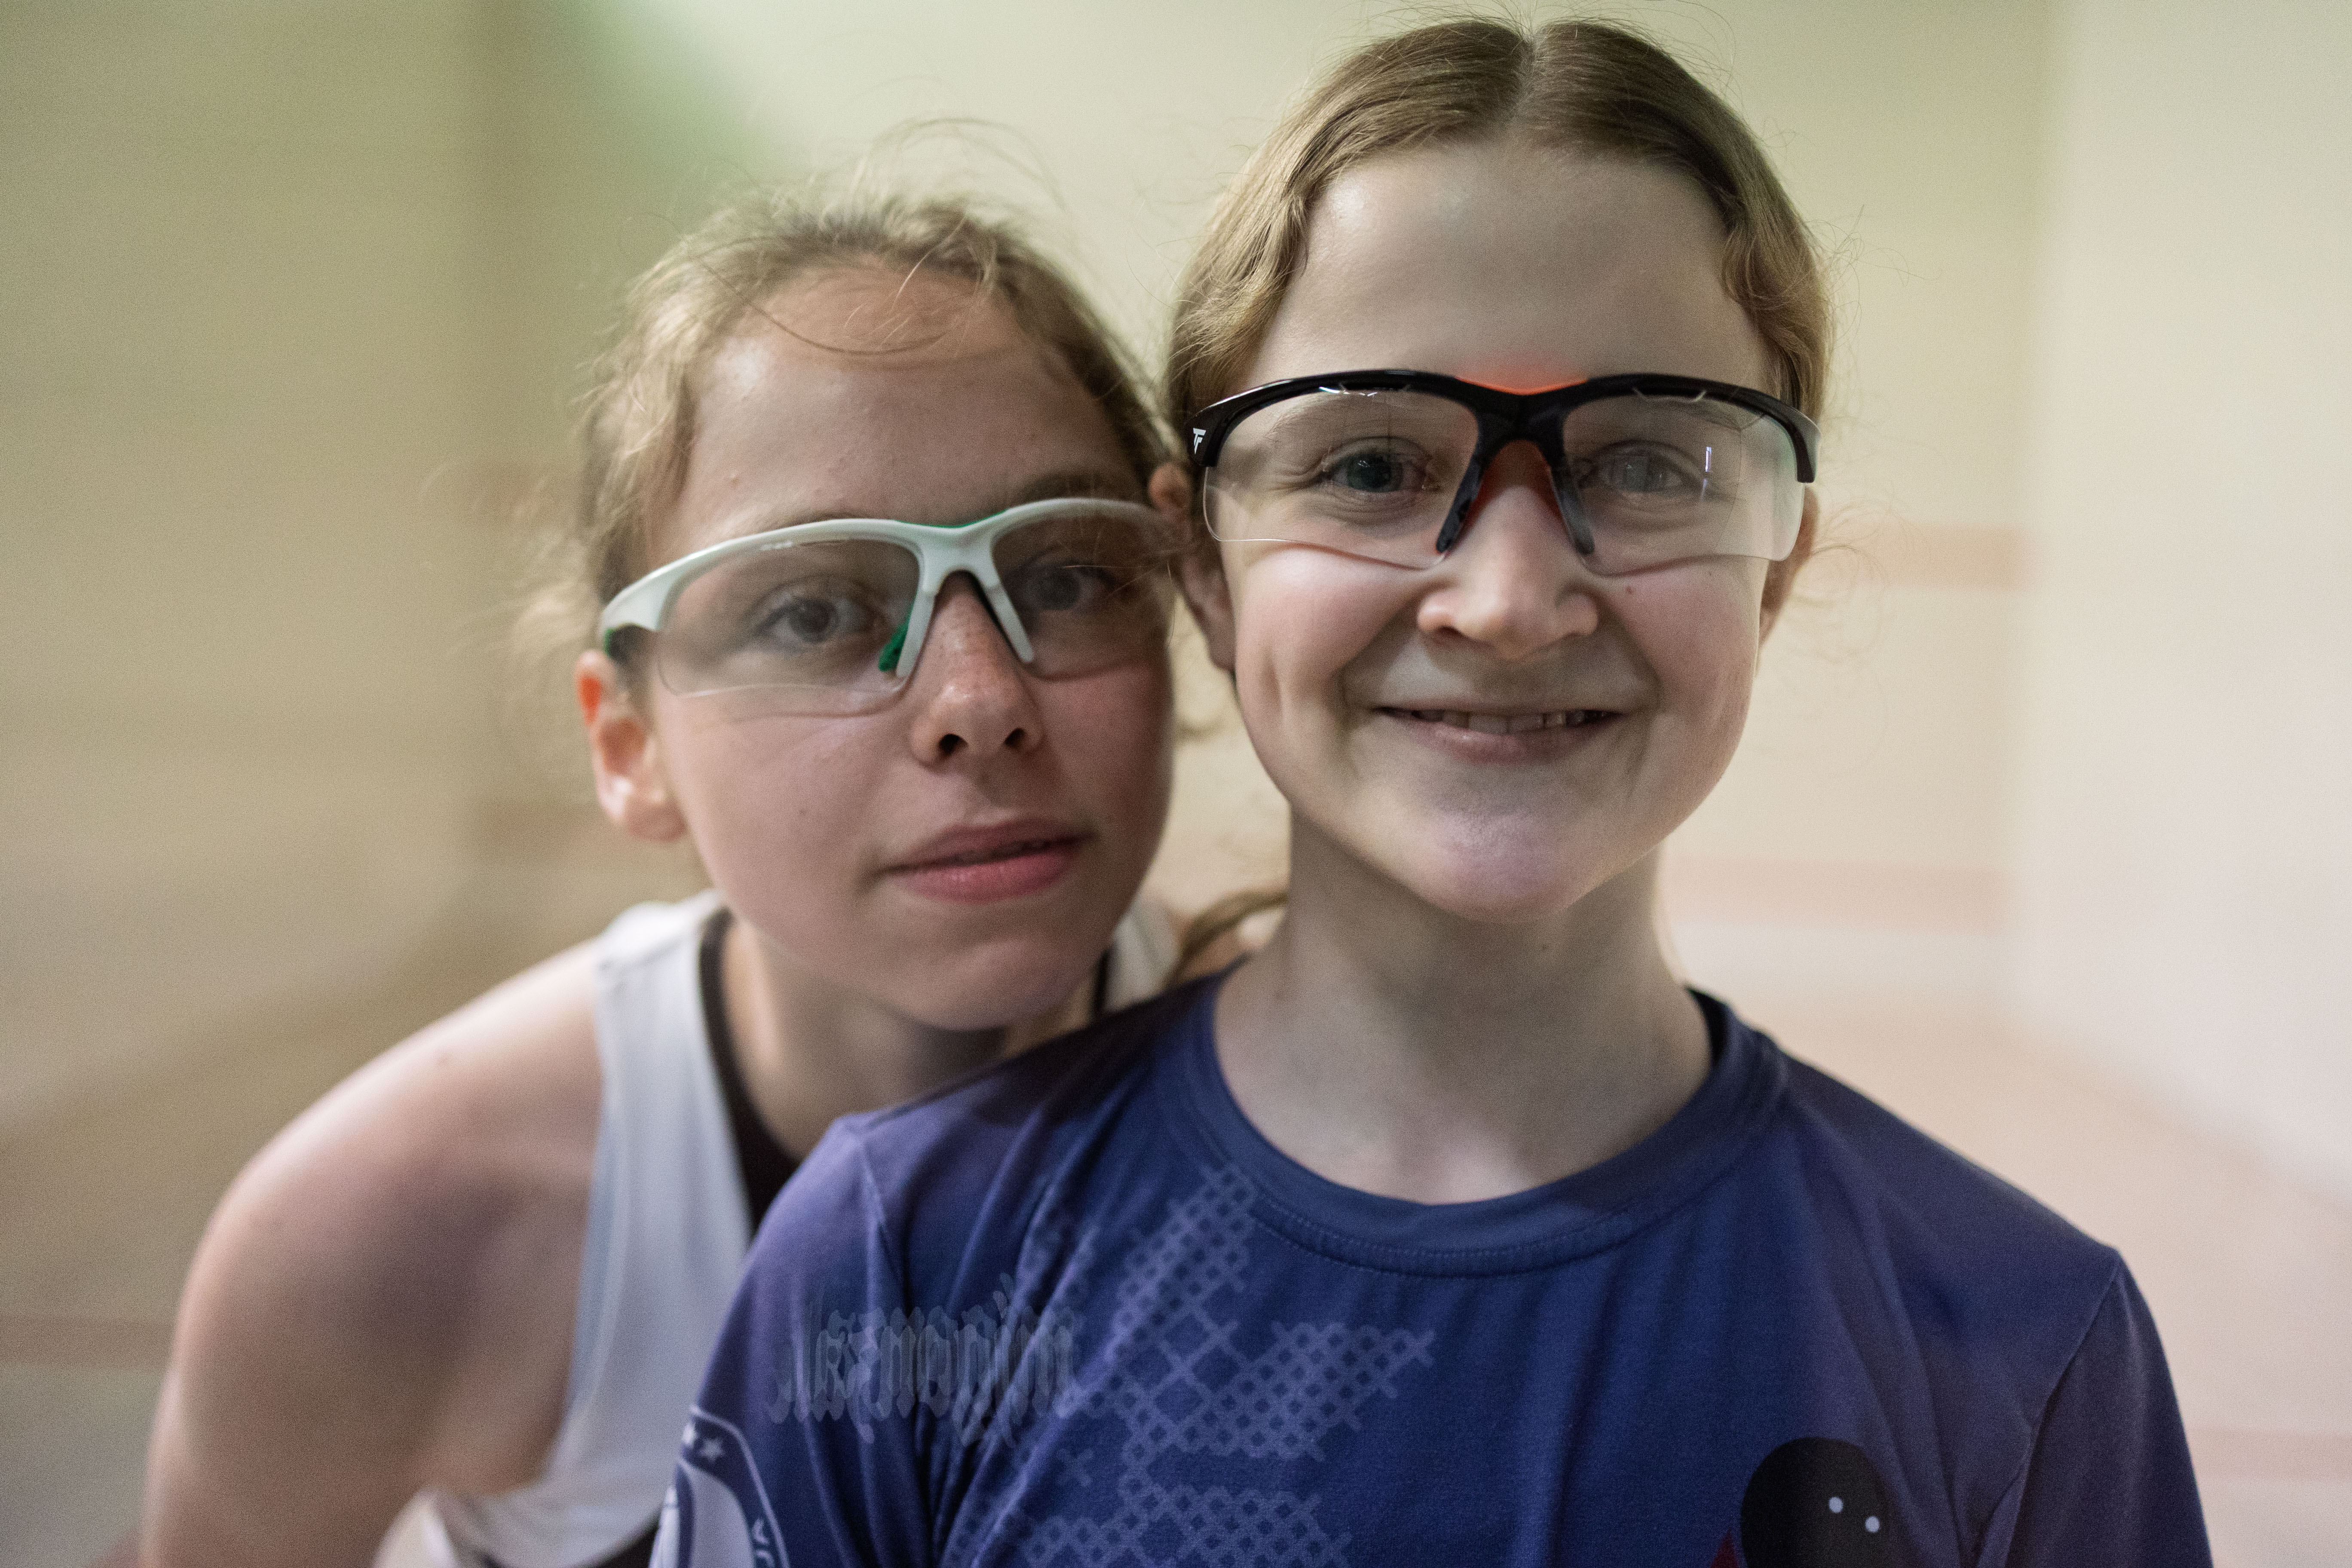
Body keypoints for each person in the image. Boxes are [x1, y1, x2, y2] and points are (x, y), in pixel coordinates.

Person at [658, 19, 2211, 1568]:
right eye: (1371, 468)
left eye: (1646, 465)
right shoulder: (903, 1269)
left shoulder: (2020, 1349)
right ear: (1203, 563)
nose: (1510, 601)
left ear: (1775, 564)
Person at [139, 187, 1201, 1568]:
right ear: (630, 745)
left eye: (1063, 576)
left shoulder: (1336, 1117)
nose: (979, 701)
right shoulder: (392, 1233)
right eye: (813, 611)